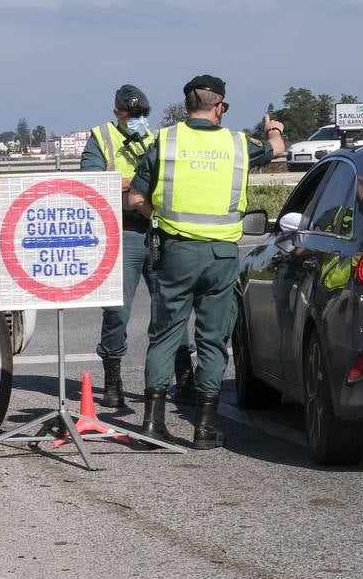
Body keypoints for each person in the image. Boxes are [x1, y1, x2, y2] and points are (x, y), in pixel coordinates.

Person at [126, 74, 285, 449]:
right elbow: (277, 150)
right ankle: (205, 427)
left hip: (176, 251)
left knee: (165, 333)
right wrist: (274, 129)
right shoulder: (239, 144)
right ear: (221, 107)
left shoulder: (165, 141)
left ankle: (152, 424)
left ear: (186, 107)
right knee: (213, 339)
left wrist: (159, 217)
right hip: (220, 256)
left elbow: (134, 199)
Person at [81, 85, 195, 408]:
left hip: (157, 231)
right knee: (118, 309)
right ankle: (113, 378)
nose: (138, 120)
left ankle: (184, 375)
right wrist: (135, 182)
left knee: (172, 306)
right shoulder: (101, 138)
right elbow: (91, 182)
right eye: (132, 115)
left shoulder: (154, 137)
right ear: (117, 112)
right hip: (123, 232)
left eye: (143, 115)